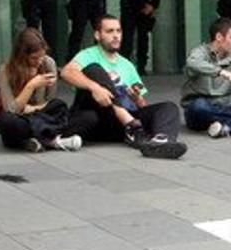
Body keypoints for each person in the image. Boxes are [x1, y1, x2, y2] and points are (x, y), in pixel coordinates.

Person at [60, 15, 186, 159]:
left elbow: (142, 104)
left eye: (118, 31)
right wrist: (95, 88)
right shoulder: (88, 55)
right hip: (95, 113)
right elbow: (66, 72)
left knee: (168, 107)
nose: (115, 36)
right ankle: (131, 125)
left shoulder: (127, 64)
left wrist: (135, 97)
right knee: (93, 69)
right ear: (97, 35)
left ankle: (161, 141)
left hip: (120, 124)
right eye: (110, 31)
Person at [0, 28, 85, 153]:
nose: (39, 61)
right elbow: (12, 109)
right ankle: (51, 141)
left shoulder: (48, 63)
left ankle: (28, 140)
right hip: (19, 117)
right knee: (8, 121)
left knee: (60, 106)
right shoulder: (6, 70)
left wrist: (33, 108)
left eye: (42, 56)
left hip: (39, 114)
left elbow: (49, 101)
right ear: (22, 55)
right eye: (34, 58)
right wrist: (31, 85)